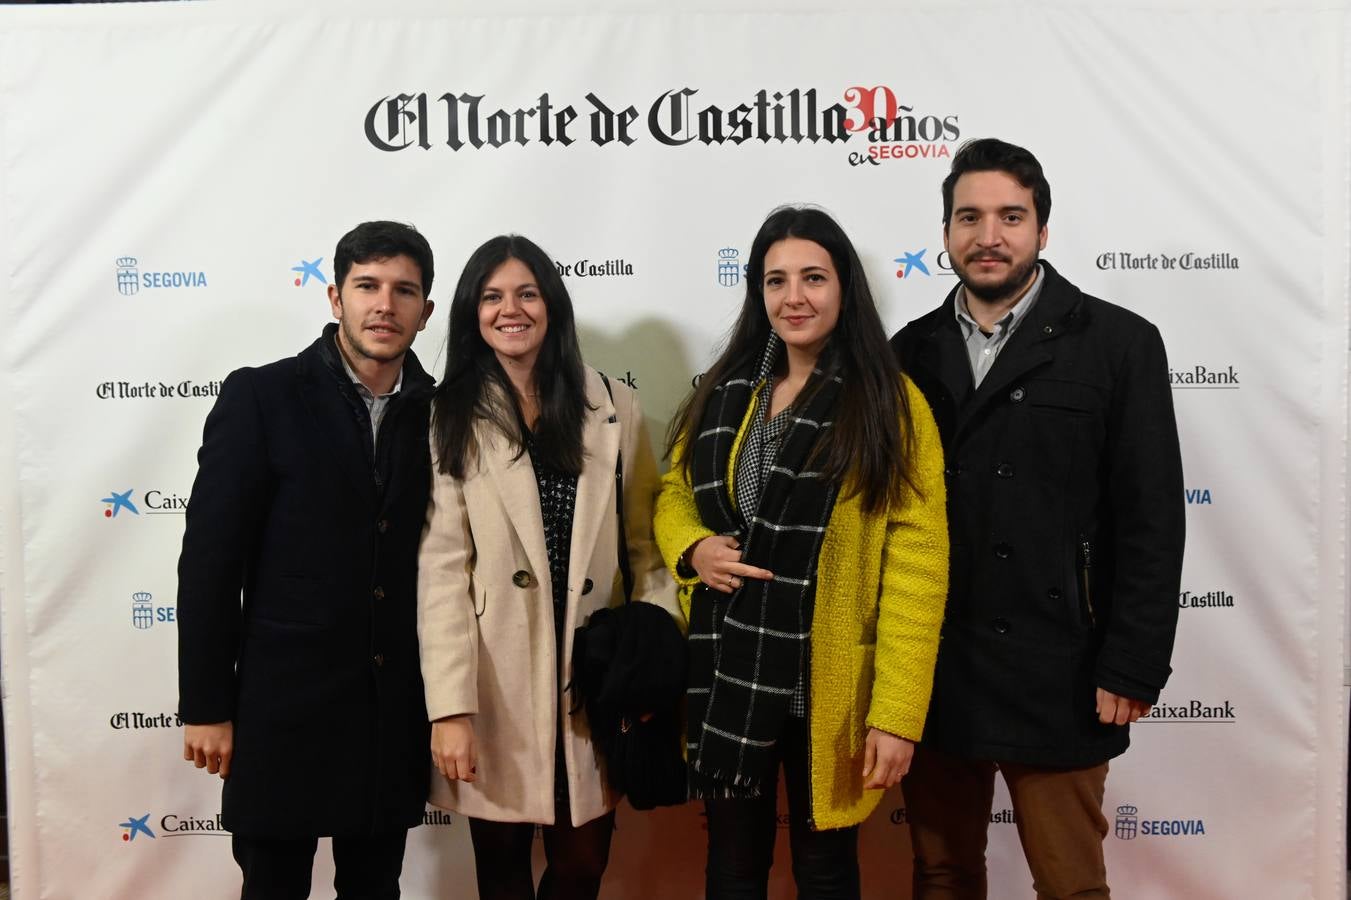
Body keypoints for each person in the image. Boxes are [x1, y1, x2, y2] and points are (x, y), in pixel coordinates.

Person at [891, 138, 1186, 899]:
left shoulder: (1118, 343)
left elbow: (1150, 518)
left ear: (1041, 232)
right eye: (968, 217)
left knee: (1069, 884)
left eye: (1009, 217)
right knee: (940, 873)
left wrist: (1131, 663)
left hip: (1062, 663)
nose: (987, 235)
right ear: (946, 233)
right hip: (935, 665)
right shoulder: (904, 354)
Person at [654, 206, 949, 899]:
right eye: (775, 280)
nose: (794, 297)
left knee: (824, 869)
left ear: (843, 287)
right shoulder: (727, 392)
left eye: (812, 277)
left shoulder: (890, 403)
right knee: (731, 864)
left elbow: (916, 568)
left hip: (828, 684)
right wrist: (692, 547)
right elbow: (673, 492)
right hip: (730, 670)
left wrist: (897, 714)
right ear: (757, 293)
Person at [177, 221, 439, 899]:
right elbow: (210, 559)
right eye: (367, 286)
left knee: (376, 888)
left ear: (425, 310)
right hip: (279, 708)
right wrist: (206, 703)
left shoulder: (444, 412)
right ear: (334, 298)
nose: (384, 304)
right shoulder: (261, 397)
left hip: (391, 710)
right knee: (272, 888)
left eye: (403, 290)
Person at [417, 234, 677, 900]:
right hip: (495, 682)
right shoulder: (448, 414)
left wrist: (649, 650)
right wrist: (450, 709)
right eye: (493, 296)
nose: (512, 309)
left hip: (593, 683)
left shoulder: (614, 405)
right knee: (501, 873)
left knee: (581, 867)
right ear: (472, 312)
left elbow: (646, 546)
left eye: (527, 293)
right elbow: (442, 570)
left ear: (551, 305)